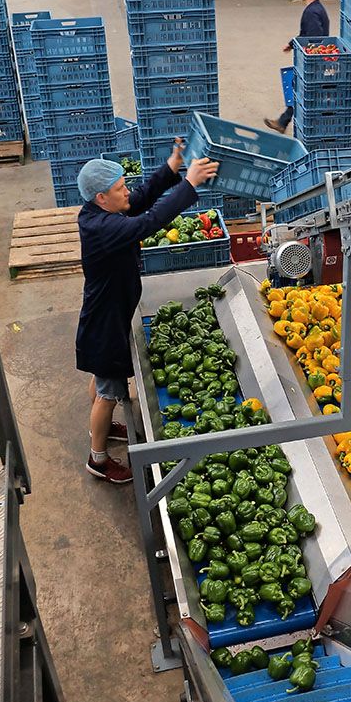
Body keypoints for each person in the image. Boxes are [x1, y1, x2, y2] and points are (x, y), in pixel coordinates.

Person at [75, 139, 218, 484]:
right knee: (109, 390)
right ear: (101, 198)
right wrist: (189, 185)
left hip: (106, 313)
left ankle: (105, 423)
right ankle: (98, 458)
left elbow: (139, 200)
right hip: (105, 321)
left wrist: (172, 167)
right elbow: (148, 222)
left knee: (102, 374)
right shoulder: (103, 228)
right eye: (119, 188)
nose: (127, 191)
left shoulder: (103, 211)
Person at [264, 0, 329, 134]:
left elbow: (313, 38)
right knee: (302, 92)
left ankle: (284, 122)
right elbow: (305, 35)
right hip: (315, 60)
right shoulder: (316, 9)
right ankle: (283, 121)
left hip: (312, 61)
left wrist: (308, 56)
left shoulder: (312, 12)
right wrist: (292, 44)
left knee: (304, 92)